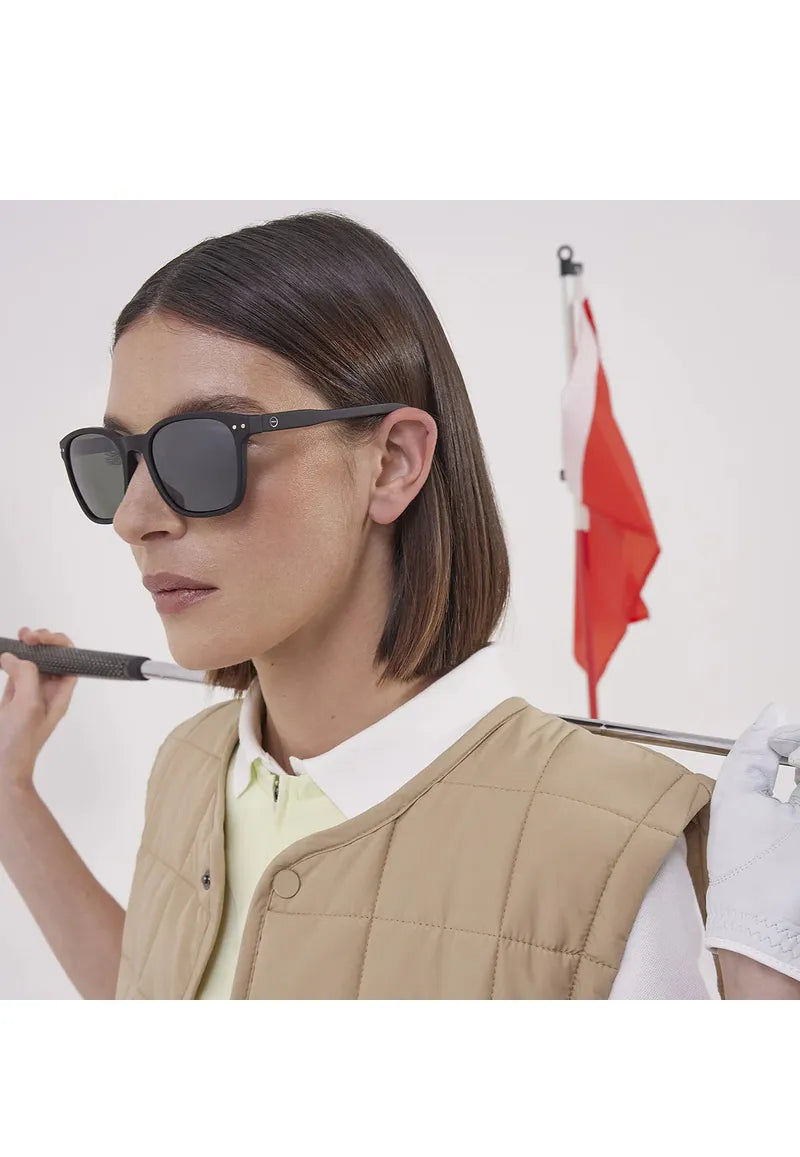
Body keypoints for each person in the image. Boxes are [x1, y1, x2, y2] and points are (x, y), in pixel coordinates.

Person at [0, 210, 797, 999]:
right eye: (119, 459)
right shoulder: (191, 765)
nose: (134, 517)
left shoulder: (613, 851)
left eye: (205, 447)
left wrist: (764, 991)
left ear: (392, 463)